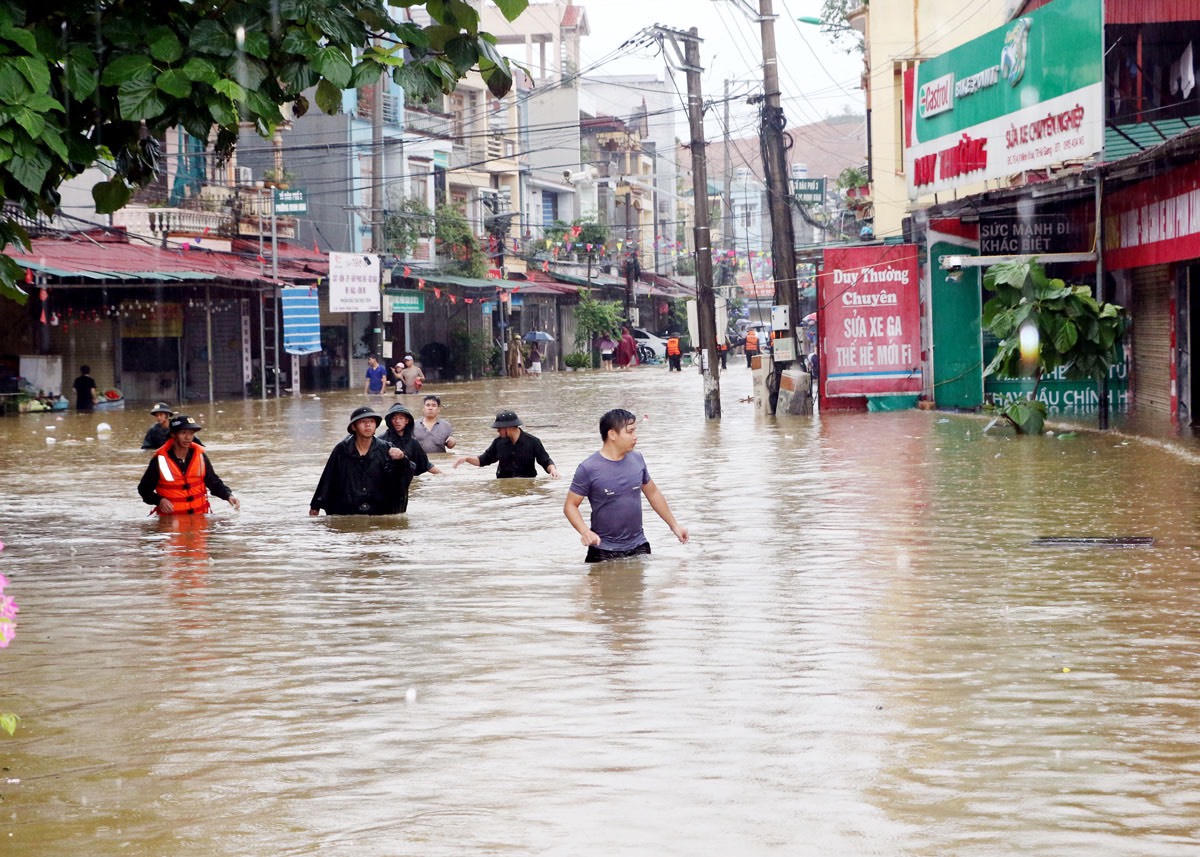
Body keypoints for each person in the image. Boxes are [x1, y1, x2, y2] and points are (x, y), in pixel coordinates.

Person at [564, 408, 688, 563]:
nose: (635, 436)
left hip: (639, 546)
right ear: (612, 434)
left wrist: (674, 526)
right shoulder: (588, 468)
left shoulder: (637, 459)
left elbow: (653, 493)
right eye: (630, 432)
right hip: (603, 549)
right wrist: (585, 532)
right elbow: (570, 506)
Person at [309, 406, 410, 516]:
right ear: (354, 427)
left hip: (378, 510)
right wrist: (315, 506)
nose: (368, 425)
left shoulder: (386, 449)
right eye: (363, 422)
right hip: (348, 510)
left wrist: (402, 459)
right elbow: (328, 477)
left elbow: (404, 476)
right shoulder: (342, 449)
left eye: (371, 421)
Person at [138, 415, 240, 515]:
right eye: (183, 433)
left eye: (191, 433)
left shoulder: (200, 456)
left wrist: (228, 496)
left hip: (200, 517)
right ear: (173, 434)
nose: (188, 437)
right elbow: (144, 490)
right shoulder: (159, 460)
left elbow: (213, 482)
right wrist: (159, 500)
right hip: (171, 520)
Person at [454, 410, 560, 479]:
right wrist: (466, 459)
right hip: (503, 484)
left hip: (527, 485)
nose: (497, 431)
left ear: (509, 427)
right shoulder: (498, 443)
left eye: (499, 428)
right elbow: (483, 460)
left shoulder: (533, 442)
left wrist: (553, 470)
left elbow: (545, 461)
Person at [378, 402, 439, 512]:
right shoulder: (381, 441)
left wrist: (445, 476)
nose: (397, 421)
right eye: (394, 418)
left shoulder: (413, 443)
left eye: (401, 418)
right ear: (390, 421)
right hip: (385, 487)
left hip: (405, 486)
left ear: (407, 421)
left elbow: (426, 465)